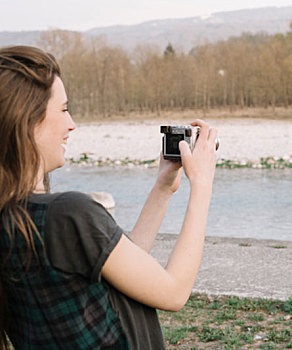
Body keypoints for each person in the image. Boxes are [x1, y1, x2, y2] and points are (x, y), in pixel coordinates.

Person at [0, 46, 218, 349]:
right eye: (63, 110)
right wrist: (203, 186)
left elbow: (123, 266)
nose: (71, 123)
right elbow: (174, 292)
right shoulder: (68, 214)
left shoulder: (16, 218)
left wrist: (163, 188)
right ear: (27, 119)